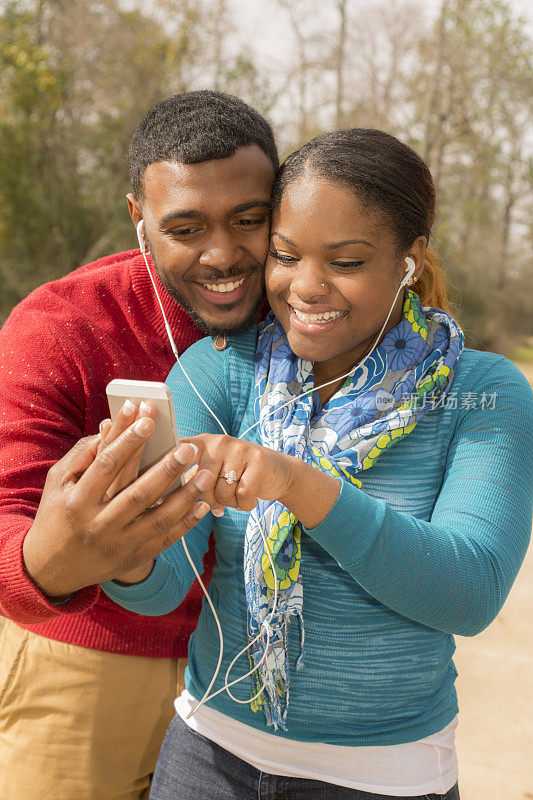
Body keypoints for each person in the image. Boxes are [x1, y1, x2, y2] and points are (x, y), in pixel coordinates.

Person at [103, 129, 533, 799]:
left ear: (408, 260)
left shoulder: (480, 393)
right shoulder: (224, 370)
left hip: (384, 777)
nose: (306, 286)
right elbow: (160, 588)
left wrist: (297, 484)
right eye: (284, 255)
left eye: (346, 261)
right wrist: (123, 533)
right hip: (209, 756)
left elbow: (468, 594)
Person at [0, 90, 278, 799]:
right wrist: (51, 561)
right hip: (86, 674)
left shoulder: (310, 317)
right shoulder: (59, 325)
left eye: (249, 219)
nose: (223, 254)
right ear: (138, 219)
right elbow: (7, 521)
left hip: (257, 694)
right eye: (185, 228)